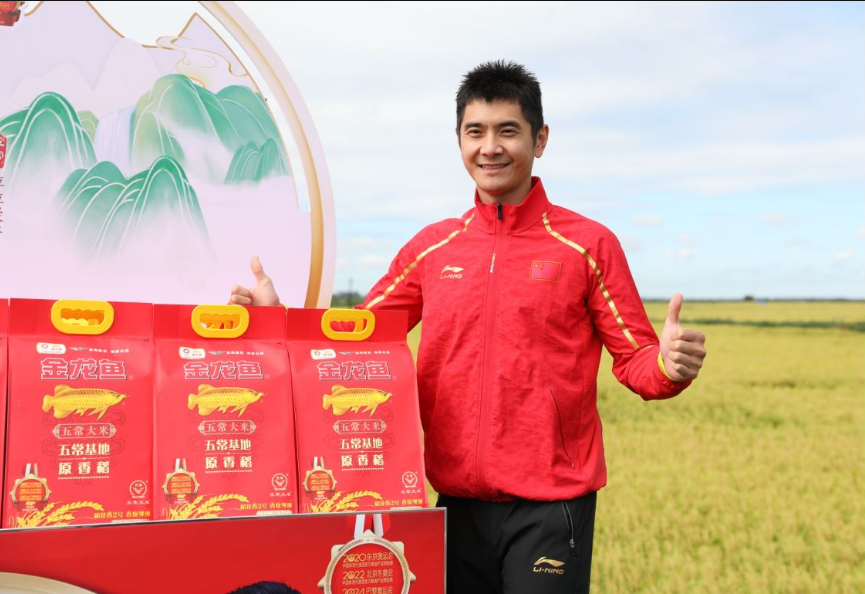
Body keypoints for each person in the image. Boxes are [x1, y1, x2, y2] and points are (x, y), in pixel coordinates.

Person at [230, 60, 707, 594]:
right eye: (475, 132)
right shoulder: (433, 248)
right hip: (453, 505)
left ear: (540, 139)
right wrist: (275, 317)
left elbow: (636, 358)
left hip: (551, 508)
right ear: (459, 140)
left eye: (508, 131)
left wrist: (668, 366)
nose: (490, 148)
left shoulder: (587, 245)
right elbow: (352, 338)